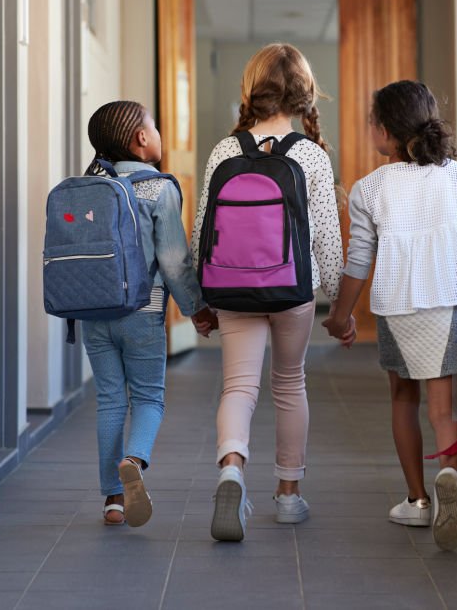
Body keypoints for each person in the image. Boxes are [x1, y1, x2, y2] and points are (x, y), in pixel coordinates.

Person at [322, 80, 457, 551]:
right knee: (443, 408)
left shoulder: (370, 189)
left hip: (397, 308)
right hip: (451, 302)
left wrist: (340, 316)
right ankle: (449, 475)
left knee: (403, 401)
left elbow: (359, 260)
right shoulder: (456, 177)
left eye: (372, 123)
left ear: (385, 132)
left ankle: (418, 501)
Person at [191, 43, 343, 541]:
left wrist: (203, 296)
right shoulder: (311, 156)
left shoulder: (223, 150)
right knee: (289, 384)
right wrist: (340, 302)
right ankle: (287, 496)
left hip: (231, 287)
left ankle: (232, 470)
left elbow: (201, 232)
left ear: (251, 89)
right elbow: (326, 237)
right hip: (292, 289)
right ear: (303, 96)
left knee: (238, 387)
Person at [81, 101, 217, 527]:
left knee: (108, 400)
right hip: (143, 310)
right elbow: (174, 261)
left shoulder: (88, 187)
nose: (157, 132)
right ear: (141, 138)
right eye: (154, 126)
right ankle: (134, 459)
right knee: (147, 396)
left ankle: (113, 501)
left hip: (92, 312)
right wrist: (195, 308)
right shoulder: (158, 189)